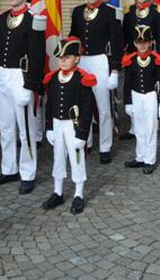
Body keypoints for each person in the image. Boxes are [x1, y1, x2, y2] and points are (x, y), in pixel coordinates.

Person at [0, 0, 46, 194]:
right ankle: (9, 169)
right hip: (2, 76)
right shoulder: (2, 19)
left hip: (22, 77)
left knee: (26, 129)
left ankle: (28, 173)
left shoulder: (34, 19)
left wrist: (31, 85)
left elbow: (38, 57)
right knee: (6, 126)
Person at [69, 0, 122, 164]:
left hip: (100, 61)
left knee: (103, 106)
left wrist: (115, 70)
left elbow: (117, 43)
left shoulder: (110, 12)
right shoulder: (76, 12)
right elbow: (72, 37)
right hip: (82, 61)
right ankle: (86, 140)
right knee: (83, 104)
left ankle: (105, 146)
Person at [42, 37, 96, 215]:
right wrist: (49, 126)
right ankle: (57, 192)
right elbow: (49, 105)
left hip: (74, 125)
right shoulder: (53, 79)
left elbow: (88, 109)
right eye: (60, 58)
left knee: (77, 159)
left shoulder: (82, 79)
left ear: (77, 58)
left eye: (67, 57)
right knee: (58, 157)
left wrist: (82, 134)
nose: (62, 61)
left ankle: (78, 193)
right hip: (57, 124)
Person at [122, 0, 160, 136]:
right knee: (135, 88)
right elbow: (126, 36)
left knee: (151, 89)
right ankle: (134, 126)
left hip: (152, 55)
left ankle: (153, 123)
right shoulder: (129, 12)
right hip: (133, 56)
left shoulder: (158, 11)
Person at [122, 25, 160, 174]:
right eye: (139, 42)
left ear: (150, 42)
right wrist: (127, 101)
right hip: (136, 96)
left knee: (150, 128)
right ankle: (140, 156)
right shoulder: (131, 60)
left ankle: (150, 160)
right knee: (139, 128)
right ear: (134, 43)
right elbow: (127, 82)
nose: (142, 45)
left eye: (145, 42)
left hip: (151, 96)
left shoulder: (156, 59)